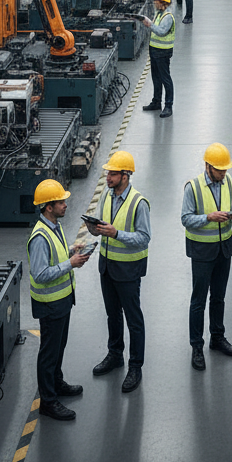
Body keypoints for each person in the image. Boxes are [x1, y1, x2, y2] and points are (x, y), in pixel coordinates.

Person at [28, 179, 91, 420]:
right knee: (49, 353)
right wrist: (70, 264)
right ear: (48, 207)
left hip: (62, 301)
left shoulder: (54, 226)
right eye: (61, 202)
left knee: (58, 347)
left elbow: (56, 257)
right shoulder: (40, 237)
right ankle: (48, 401)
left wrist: (72, 251)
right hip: (50, 304)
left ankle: (57, 383)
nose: (66, 205)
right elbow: (40, 274)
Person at [92, 151, 151, 394]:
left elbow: (144, 238)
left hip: (128, 270)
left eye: (113, 174)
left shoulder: (139, 203)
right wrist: (95, 230)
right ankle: (115, 354)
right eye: (108, 173)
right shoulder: (107, 196)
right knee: (112, 315)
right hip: (107, 267)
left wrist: (116, 234)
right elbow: (103, 225)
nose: (108, 177)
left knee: (133, 319)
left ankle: (135, 366)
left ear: (125, 176)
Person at [182, 142, 232, 371]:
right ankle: (196, 346)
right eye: (219, 170)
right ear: (208, 166)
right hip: (201, 251)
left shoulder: (229, 181)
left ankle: (217, 337)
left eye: (225, 169)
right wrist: (208, 217)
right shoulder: (193, 187)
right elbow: (186, 218)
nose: (223, 173)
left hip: (223, 249)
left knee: (219, 297)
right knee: (198, 300)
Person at [141, 0, 175, 117]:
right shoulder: (158, 13)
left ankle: (168, 106)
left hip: (163, 52)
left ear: (162, 3)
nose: (154, 3)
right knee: (156, 77)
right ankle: (156, 102)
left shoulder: (168, 17)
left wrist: (149, 24)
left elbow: (161, 31)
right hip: (154, 49)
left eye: (156, 1)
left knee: (165, 78)